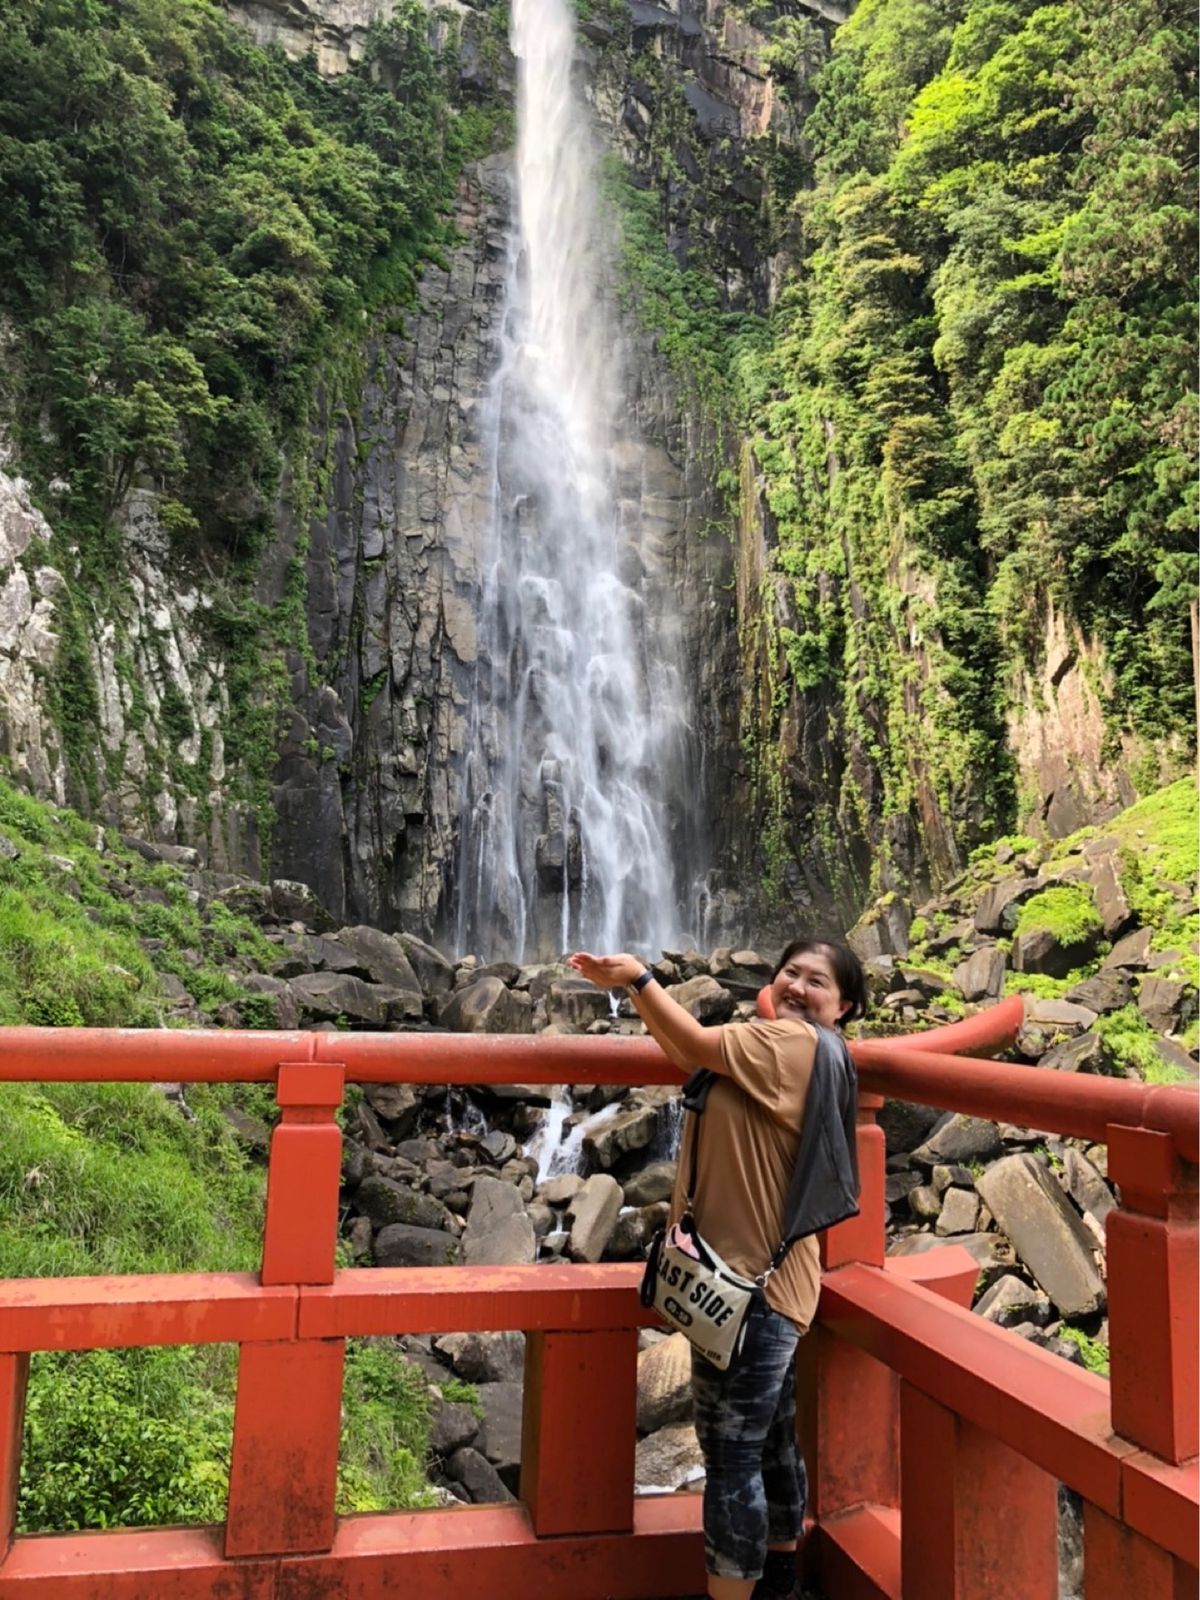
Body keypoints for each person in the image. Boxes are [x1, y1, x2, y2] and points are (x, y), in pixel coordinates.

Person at [568, 939, 868, 1600]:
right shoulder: (797, 1048)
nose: (797, 986)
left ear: (844, 1005)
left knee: (731, 1457)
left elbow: (696, 1045)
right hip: (768, 1283)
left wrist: (638, 978)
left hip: (748, 1294)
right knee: (772, 1443)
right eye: (790, 972)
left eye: (817, 981)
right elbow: (692, 1054)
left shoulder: (792, 1043)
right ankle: (780, 1585)